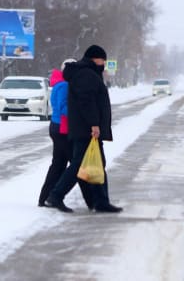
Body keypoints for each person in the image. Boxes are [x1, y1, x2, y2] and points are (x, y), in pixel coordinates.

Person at [46, 45, 123, 213]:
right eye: (103, 60)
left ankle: (101, 201)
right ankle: (56, 195)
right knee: (79, 164)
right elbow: (86, 102)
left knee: (97, 164)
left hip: (84, 127)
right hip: (85, 128)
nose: (104, 64)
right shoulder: (86, 74)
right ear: (95, 58)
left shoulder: (86, 73)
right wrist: (94, 124)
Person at [37, 59, 93, 208]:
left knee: (58, 165)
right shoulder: (64, 85)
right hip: (62, 129)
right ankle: (90, 200)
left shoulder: (62, 83)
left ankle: (45, 197)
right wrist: (81, 114)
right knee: (76, 165)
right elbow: (63, 108)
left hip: (59, 128)